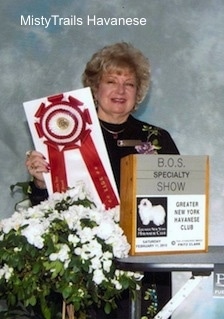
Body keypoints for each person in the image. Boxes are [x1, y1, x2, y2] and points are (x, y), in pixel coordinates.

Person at [24, 42, 179, 318]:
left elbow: (178, 201)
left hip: (144, 267)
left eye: (129, 84)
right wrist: (39, 183)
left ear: (138, 93)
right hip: (83, 267)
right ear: (95, 88)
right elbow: (46, 210)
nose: (120, 90)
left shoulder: (158, 139)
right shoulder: (66, 131)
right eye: (111, 81)